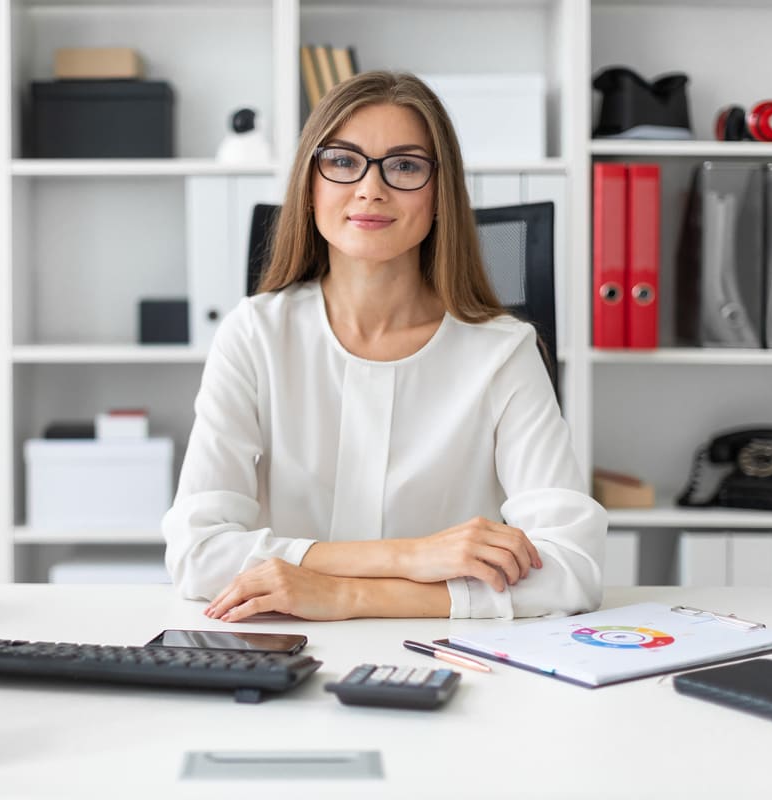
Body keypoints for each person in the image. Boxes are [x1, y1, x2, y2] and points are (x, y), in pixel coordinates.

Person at [162, 71, 606, 622]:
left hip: (452, 661)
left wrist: (349, 595)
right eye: (344, 161)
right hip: (277, 651)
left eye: (404, 166)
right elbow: (197, 552)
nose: (371, 189)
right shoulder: (254, 333)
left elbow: (575, 567)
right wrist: (412, 556)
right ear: (310, 184)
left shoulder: (503, 352)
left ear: (441, 195)